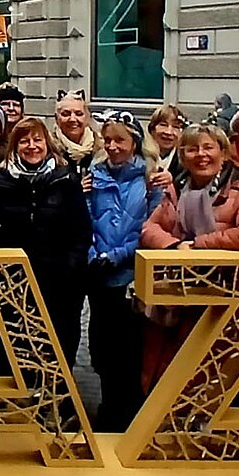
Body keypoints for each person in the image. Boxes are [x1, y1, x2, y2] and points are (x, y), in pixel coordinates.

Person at [139, 123, 239, 392]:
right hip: (179, 296)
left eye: (208, 147)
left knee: (214, 381)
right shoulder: (178, 187)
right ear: (182, 156)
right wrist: (175, 246)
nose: (201, 155)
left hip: (225, 302)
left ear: (223, 153)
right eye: (192, 149)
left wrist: (199, 244)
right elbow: (149, 228)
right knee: (170, 377)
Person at [0, 117, 92, 367]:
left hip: (58, 280)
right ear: (15, 147)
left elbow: (81, 230)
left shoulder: (66, 180)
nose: (32, 146)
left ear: (47, 144)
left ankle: (58, 388)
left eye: (37, 140)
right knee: (14, 347)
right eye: (24, 141)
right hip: (12, 281)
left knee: (57, 346)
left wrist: (71, 267)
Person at [85, 111, 161, 431]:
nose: (113, 146)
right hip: (99, 276)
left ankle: (130, 416)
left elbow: (151, 227)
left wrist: (117, 255)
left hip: (131, 275)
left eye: (120, 140)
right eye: (108, 140)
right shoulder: (94, 176)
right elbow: (85, 217)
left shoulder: (150, 179)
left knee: (130, 349)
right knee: (102, 348)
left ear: (135, 142)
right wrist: (93, 252)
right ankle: (108, 408)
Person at [53, 90, 104, 179]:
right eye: (66, 114)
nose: (73, 119)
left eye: (79, 114)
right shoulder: (49, 149)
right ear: (57, 118)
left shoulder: (102, 149)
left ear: (87, 117)